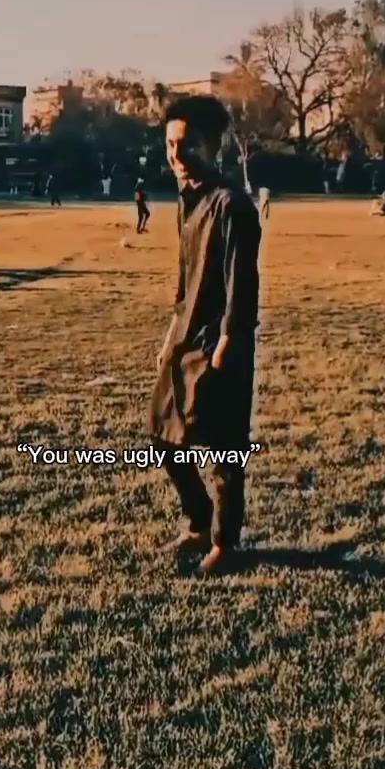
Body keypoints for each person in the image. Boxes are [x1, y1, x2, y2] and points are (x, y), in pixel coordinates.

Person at [148, 94, 261, 577]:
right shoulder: (187, 200)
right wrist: (170, 337)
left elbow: (242, 285)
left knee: (223, 449)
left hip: (219, 344)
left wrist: (227, 346)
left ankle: (224, 543)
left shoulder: (232, 205)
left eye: (187, 144)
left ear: (214, 146)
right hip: (185, 337)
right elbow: (184, 282)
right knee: (162, 434)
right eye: (170, 144)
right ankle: (198, 521)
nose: (176, 154)